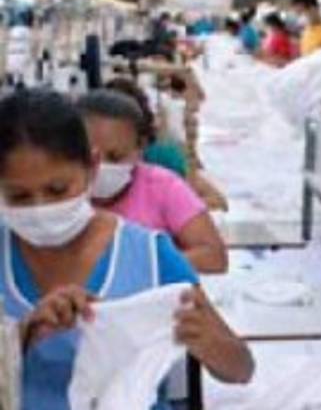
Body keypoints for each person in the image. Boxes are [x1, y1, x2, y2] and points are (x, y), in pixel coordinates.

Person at [0, 90, 252, 410]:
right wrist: (21, 337)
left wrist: (206, 341)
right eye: (19, 197)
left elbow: (240, 369)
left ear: (92, 168)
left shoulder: (149, 255)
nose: (40, 208)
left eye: (58, 190)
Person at [77, 90, 228, 274]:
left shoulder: (163, 188)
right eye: (90, 157)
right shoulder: (60, 192)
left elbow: (213, 256)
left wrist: (146, 266)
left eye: (115, 157)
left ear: (140, 147)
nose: (101, 167)